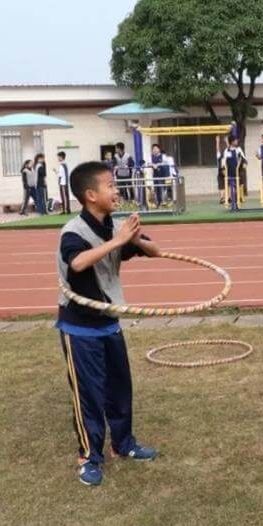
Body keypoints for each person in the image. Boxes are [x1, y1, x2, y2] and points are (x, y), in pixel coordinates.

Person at [56, 161, 161, 486]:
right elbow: (77, 262)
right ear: (90, 195)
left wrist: (135, 238)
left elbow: (156, 251)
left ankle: (124, 444)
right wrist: (117, 242)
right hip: (80, 328)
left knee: (119, 390)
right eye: (111, 186)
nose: (117, 191)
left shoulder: (114, 226)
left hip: (109, 323)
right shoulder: (73, 231)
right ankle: (89, 457)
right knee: (90, 395)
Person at [221, 137, 247, 210]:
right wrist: (223, 169)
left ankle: (237, 199)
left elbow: (243, 157)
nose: (237, 141)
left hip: (237, 170)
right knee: (229, 185)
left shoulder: (238, 149)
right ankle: (230, 199)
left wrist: (244, 163)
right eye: (235, 140)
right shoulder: (226, 150)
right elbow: (223, 160)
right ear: (231, 142)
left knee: (237, 185)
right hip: (229, 171)